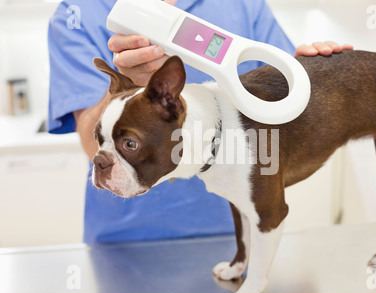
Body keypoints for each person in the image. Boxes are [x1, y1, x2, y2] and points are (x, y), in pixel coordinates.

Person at [48, 0, 352, 244]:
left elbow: (283, 100)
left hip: (237, 227)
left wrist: (311, 73)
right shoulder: (78, 12)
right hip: (129, 242)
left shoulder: (245, 5)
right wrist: (129, 95)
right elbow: (93, 144)